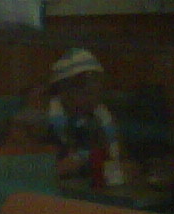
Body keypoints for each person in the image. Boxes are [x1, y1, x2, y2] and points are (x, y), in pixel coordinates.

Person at [12, 48, 124, 184]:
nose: (93, 101)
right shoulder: (37, 119)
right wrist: (59, 169)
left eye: (97, 93)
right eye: (86, 93)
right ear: (64, 91)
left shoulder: (100, 119)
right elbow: (16, 170)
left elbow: (118, 160)